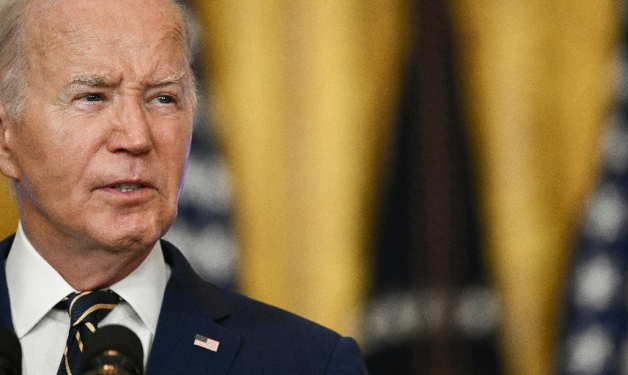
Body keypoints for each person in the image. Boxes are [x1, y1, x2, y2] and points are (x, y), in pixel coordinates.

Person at [0, 0, 369, 374]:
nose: (137, 136)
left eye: (163, 98)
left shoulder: (308, 363)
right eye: (93, 97)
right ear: (5, 137)